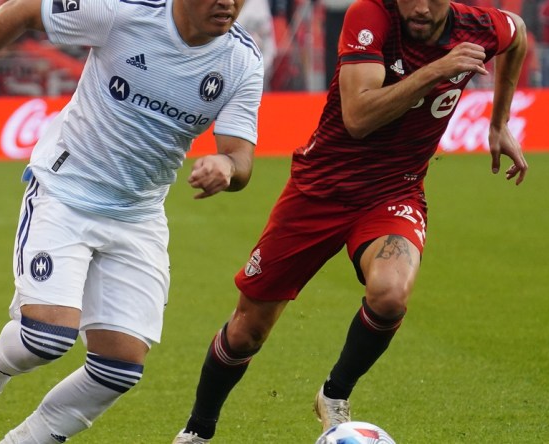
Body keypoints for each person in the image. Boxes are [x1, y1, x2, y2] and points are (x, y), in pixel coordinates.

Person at [0, 0, 263, 442]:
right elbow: (21, 11)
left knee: (119, 369)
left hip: (138, 215)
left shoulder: (242, 60)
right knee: (47, 339)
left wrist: (227, 167)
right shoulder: (124, 12)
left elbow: (240, 155)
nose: (228, 2)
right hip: (66, 193)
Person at [172, 0, 528, 442]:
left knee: (391, 293)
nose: (417, 7)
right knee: (248, 330)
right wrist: (438, 69)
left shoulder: (479, 25)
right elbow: (358, 118)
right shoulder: (371, 16)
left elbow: (518, 34)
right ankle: (198, 430)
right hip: (319, 191)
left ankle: (334, 394)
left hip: (394, 191)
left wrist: (499, 121)